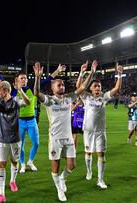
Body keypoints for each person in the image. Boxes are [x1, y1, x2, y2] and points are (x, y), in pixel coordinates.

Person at [0, 60, 65, 174]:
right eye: (22, 78)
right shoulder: (12, 92)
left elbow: (48, 79)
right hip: (19, 122)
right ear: (17, 80)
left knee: (36, 143)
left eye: (25, 78)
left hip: (32, 120)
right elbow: (2, 79)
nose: (24, 79)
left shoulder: (32, 88)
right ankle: (22, 164)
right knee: (20, 145)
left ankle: (30, 161)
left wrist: (57, 71)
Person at [34, 62, 95, 202]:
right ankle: (59, 190)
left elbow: (83, 87)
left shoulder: (69, 98)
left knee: (71, 166)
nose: (62, 86)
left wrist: (89, 73)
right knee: (55, 167)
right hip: (55, 138)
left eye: (63, 85)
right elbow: (37, 93)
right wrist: (37, 77)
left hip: (68, 138)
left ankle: (63, 179)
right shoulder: (49, 100)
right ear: (52, 87)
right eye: (59, 85)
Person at [77, 62, 123, 189]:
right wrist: (82, 72)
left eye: (99, 86)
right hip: (88, 131)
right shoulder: (86, 97)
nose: (97, 88)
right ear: (91, 88)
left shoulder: (104, 97)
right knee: (88, 153)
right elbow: (79, 86)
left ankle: (100, 180)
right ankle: (89, 171)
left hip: (101, 132)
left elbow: (116, 89)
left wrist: (119, 75)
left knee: (101, 154)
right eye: (95, 86)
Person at [0, 80, 30, 203]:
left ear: (6, 90)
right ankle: (1, 194)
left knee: (14, 161)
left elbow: (27, 102)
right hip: (1, 139)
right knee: (1, 164)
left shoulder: (15, 101)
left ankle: (12, 180)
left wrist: (20, 90)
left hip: (15, 139)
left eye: (0, 89)